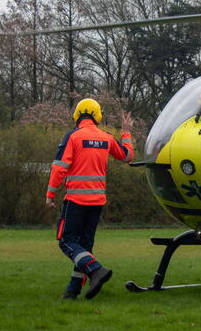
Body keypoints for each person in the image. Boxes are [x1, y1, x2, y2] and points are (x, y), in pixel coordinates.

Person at [45, 98, 134, 300]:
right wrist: (126, 132)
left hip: (76, 201)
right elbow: (127, 156)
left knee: (66, 242)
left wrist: (50, 194)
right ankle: (72, 291)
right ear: (97, 116)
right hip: (97, 203)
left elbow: (59, 167)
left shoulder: (73, 137)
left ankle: (95, 270)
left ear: (77, 115)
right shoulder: (106, 138)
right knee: (84, 246)